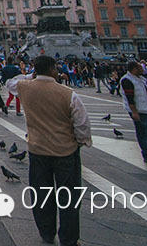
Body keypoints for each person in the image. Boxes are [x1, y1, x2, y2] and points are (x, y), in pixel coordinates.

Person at [7, 56, 92, 246]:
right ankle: (69, 239)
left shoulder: (25, 87)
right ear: (53, 69)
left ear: (35, 70)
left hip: (38, 150)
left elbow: (10, 83)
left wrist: (32, 76)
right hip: (65, 151)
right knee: (69, 197)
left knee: (41, 193)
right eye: (56, 68)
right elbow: (82, 124)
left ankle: (47, 232)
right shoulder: (68, 93)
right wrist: (79, 142)